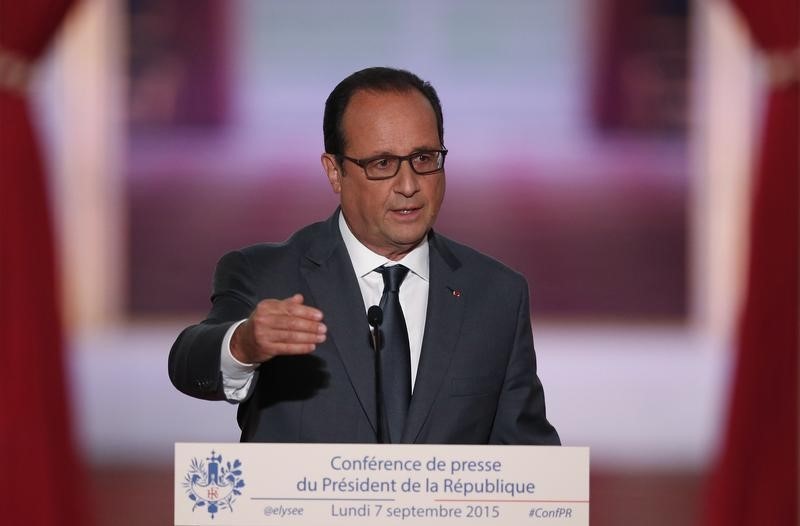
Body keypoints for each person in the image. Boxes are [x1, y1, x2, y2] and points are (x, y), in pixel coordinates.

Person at [168, 67, 560, 445]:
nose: (408, 185)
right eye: (382, 164)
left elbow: (526, 458)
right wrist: (244, 344)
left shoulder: (496, 294)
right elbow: (189, 362)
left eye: (423, 159)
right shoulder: (267, 274)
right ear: (335, 172)